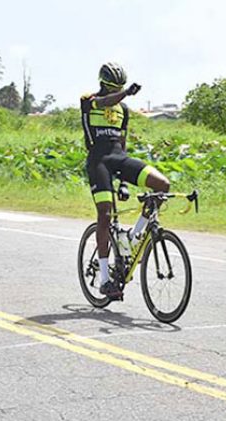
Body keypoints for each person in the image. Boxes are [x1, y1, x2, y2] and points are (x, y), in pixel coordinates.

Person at [80, 63, 170, 299]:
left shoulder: (124, 110)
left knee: (162, 185)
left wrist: (123, 182)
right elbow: (104, 102)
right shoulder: (89, 100)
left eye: (119, 89)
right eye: (113, 89)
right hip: (98, 162)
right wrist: (126, 93)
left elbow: (122, 143)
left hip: (119, 159)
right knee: (105, 214)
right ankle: (105, 279)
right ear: (103, 85)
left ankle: (134, 236)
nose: (116, 94)